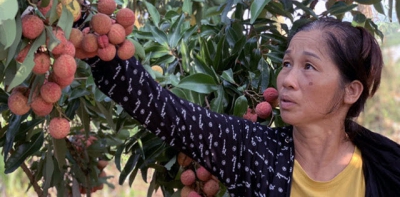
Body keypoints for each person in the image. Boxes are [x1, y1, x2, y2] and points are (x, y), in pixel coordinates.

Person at [85, 17, 400, 197]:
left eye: (308, 67)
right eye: (287, 62)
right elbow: (167, 112)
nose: (287, 79)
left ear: (351, 90)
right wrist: (89, 28)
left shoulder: (386, 170)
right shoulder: (253, 150)